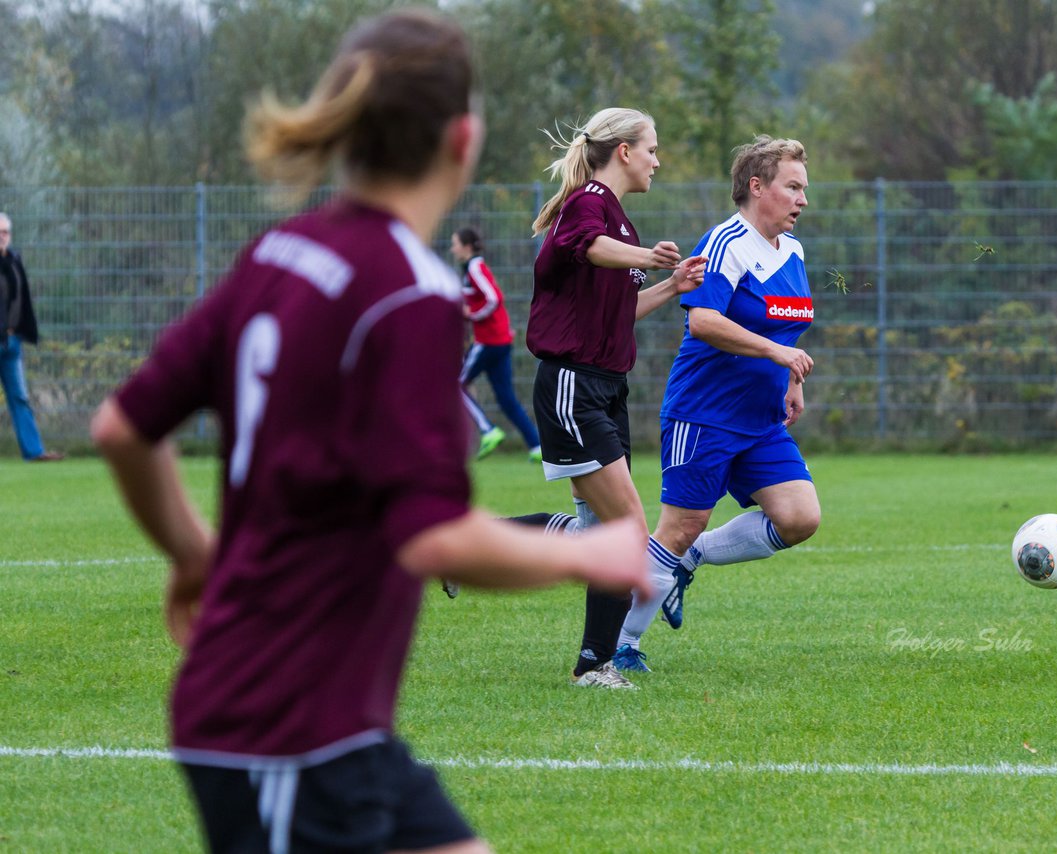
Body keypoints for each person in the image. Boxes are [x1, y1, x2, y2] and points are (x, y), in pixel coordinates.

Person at [89, 10, 649, 853]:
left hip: (330, 723)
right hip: (285, 719)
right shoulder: (408, 292)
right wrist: (588, 552)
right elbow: (430, 539)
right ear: (462, 140)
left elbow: (121, 428)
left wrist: (195, 554)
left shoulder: (280, 250)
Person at [612, 136, 822, 673]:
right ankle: (622, 644)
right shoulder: (726, 241)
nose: (802, 199)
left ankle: (695, 557)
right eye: (792, 187)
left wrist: (789, 376)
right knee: (678, 526)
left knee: (799, 518)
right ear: (757, 187)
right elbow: (702, 320)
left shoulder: (793, 252)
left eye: (804, 189)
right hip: (703, 414)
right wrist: (777, 351)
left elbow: (786, 326)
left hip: (760, 419)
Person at [523, 107, 705, 689]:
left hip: (604, 388)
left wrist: (669, 285)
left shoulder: (616, 219)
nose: (658, 159)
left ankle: (457, 546)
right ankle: (593, 665)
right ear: (624, 150)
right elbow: (590, 248)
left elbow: (618, 308)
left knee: (597, 533)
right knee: (624, 528)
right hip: (574, 385)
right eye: (652, 147)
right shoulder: (589, 202)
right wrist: (648, 257)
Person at [450, 226, 541, 462]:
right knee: (506, 397)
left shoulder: (474, 267)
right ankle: (536, 446)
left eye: (455, 243)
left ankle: (488, 430)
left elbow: (493, 298)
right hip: (500, 340)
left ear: (467, 246)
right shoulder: (470, 268)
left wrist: (471, 314)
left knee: (455, 383)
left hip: (488, 341)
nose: (453, 248)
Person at [0, 212, 63, 462]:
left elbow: (22, 299)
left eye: (5, 232)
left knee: (20, 398)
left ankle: (34, 452)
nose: (2, 237)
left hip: (12, 342)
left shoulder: (14, 260)